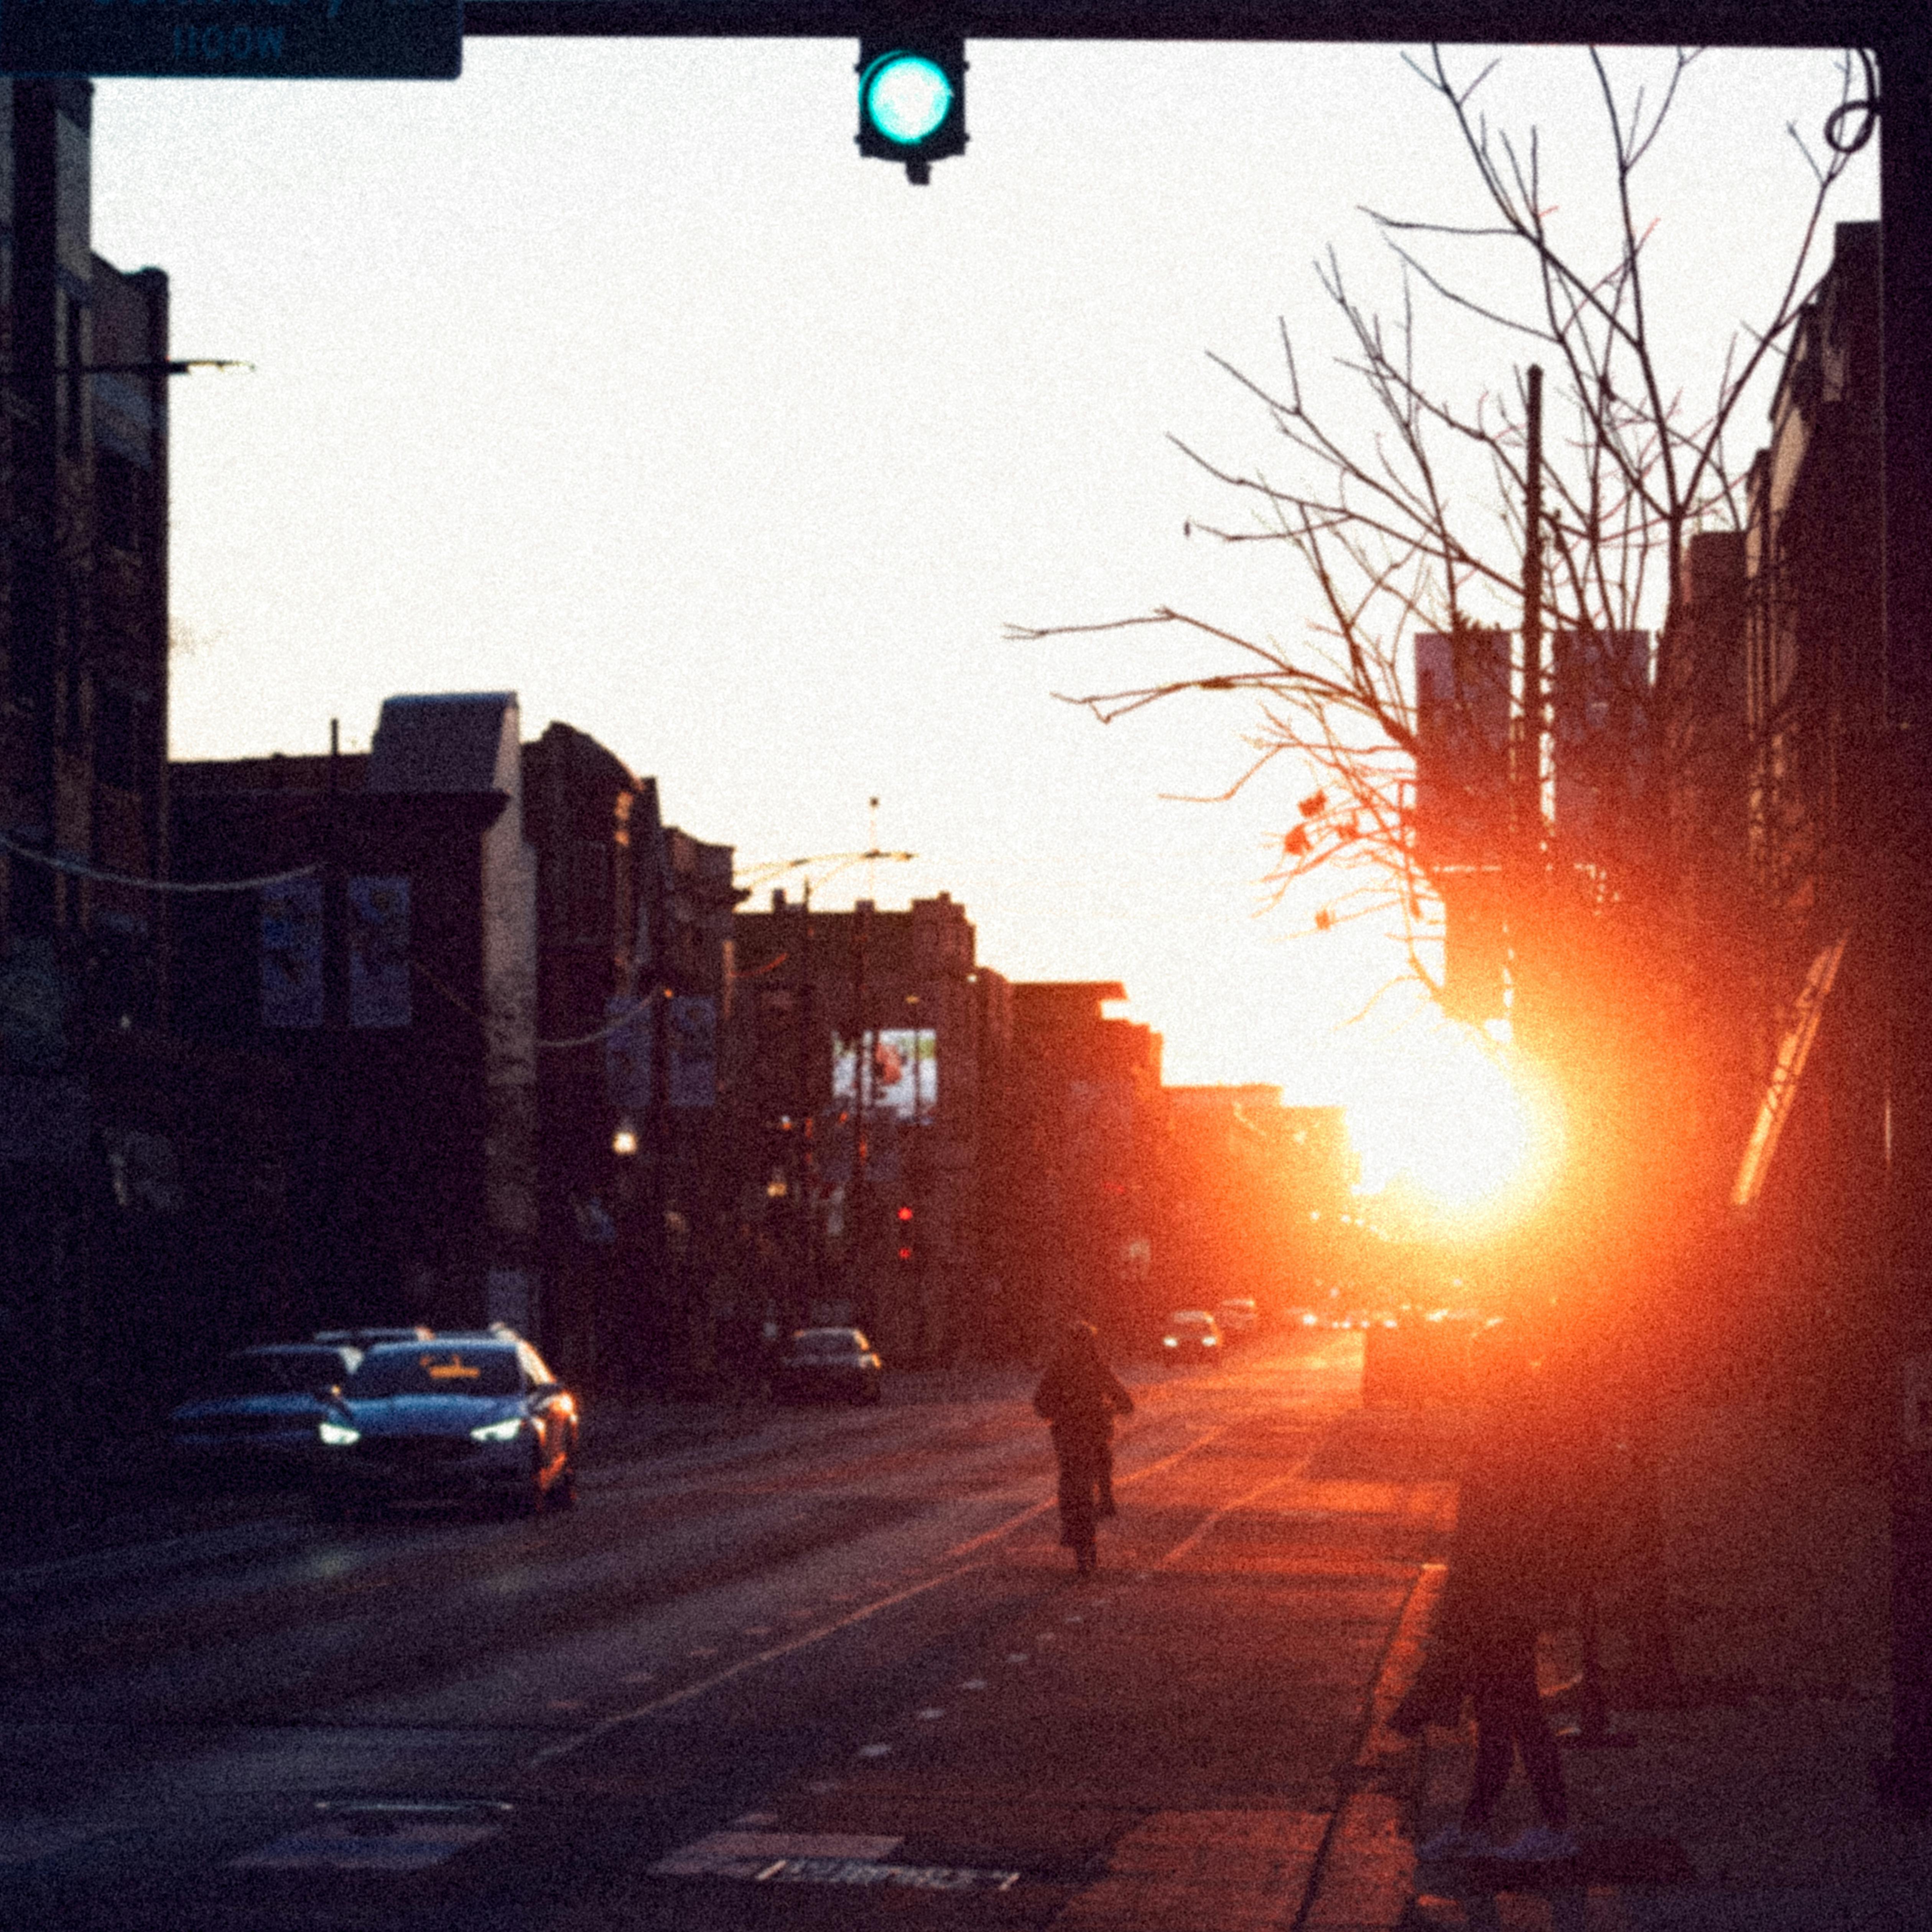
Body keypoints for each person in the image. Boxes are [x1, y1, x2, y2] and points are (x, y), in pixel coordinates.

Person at [1415, 1325, 1585, 1865]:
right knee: (1497, 1710)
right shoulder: (1522, 1425)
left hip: (1500, 1594)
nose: (1470, 1375)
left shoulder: (1507, 1433)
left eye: (1476, 1365)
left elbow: (1496, 1528)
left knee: (1514, 1709)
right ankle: (1477, 1826)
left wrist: (1464, 1596)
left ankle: (1555, 1826)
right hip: (1503, 1592)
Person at [1032, 1320, 1135, 1575]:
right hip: (1086, 1433)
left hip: (1073, 1435)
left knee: (1071, 1477)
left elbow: (1040, 1403)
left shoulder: (1060, 1368)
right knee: (1095, 1465)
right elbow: (1124, 1400)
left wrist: (1057, 1414)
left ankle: (1076, 1521)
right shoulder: (1095, 1368)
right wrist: (1116, 1408)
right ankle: (1105, 1499)